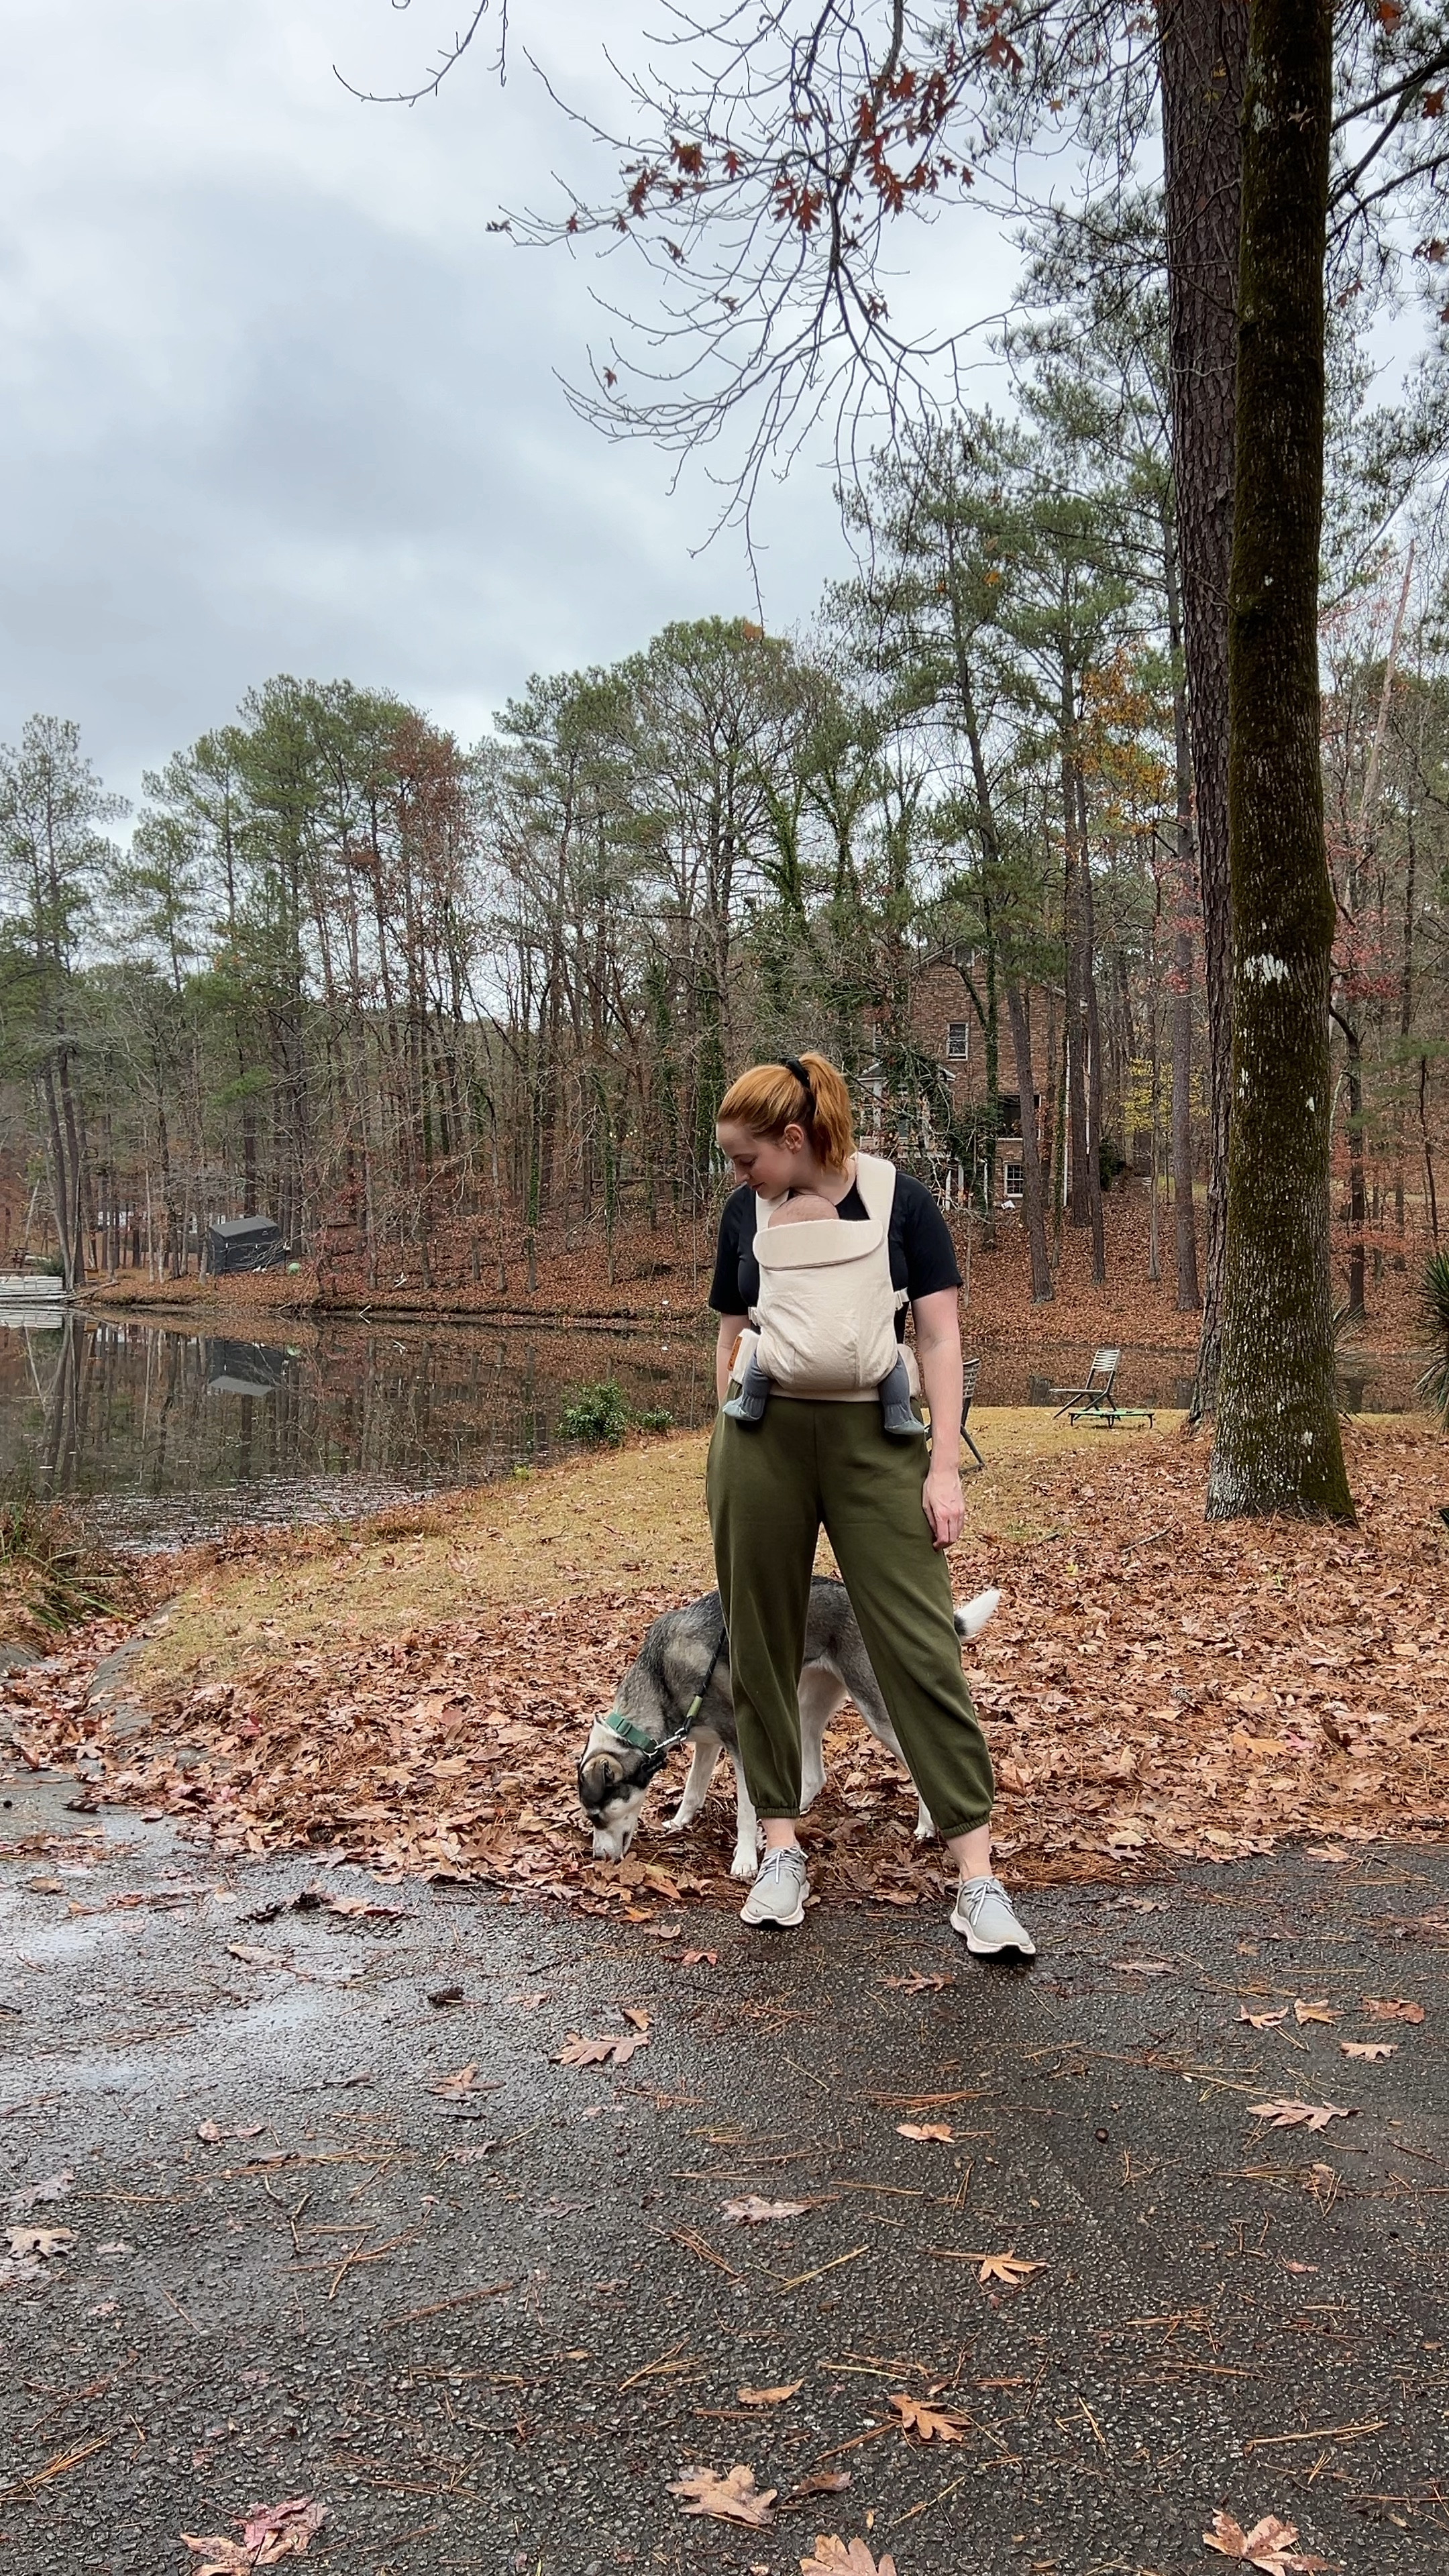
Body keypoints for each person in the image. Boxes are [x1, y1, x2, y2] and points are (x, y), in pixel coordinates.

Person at [706, 1049, 1034, 1955]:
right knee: (760, 1645)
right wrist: (721, 1435)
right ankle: (780, 1850)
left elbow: (939, 1338)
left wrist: (943, 1466)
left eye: (747, 1158)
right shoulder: (745, 1214)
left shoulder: (902, 1202)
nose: (739, 1175)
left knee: (923, 1645)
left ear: (794, 1137)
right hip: (762, 1443)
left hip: (876, 1443)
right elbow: (730, 1335)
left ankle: (978, 1879)